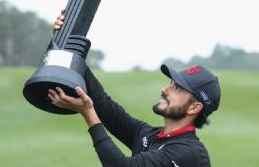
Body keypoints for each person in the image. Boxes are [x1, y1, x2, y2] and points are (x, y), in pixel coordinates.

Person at [48, 11, 221, 167]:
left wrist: (88, 113)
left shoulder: (190, 153)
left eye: (178, 88)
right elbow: (106, 108)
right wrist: (67, 46)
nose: (165, 89)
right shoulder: (149, 135)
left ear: (195, 107)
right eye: (170, 83)